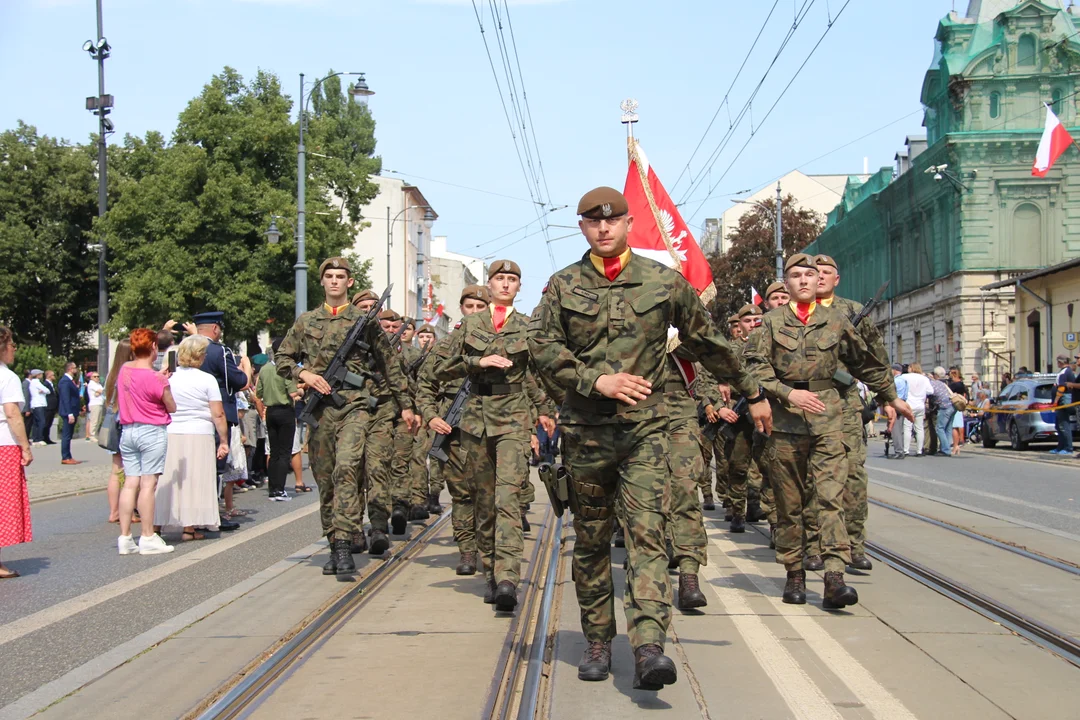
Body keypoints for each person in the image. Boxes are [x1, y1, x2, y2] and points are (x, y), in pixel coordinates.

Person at [528, 187, 772, 690]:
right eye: (593, 222)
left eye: (612, 220)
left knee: (646, 534)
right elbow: (542, 347)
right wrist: (596, 380)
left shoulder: (663, 282)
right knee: (592, 542)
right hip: (588, 435)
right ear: (582, 227)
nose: (603, 228)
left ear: (627, 223)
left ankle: (649, 645)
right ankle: (597, 640)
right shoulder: (561, 286)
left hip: (646, 433)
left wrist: (753, 391)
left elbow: (707, 340)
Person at [745, 253, 912, 610]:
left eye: (810, 274)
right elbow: (752, 367)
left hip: (829, 419)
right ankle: (794, 573)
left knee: (830, 498)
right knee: (790, 505)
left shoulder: (836, 321)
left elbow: (865, 361)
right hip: (785, 421)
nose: (805, 280)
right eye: (796, 275)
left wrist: (891, 396)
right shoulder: (771, 324)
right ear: (786, 284)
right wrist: (787, 392)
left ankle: (835, 577)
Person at [278, 258, 416, 574]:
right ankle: (333, 541)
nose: (335, 281)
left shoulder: (365, 321)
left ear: (349, 282)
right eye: (329, 276)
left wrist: (405, 405)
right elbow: (283, 358)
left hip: (356, 407)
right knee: (326, 480)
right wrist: (305, 374)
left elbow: (389, 363)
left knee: (348, 468)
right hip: (321, 410)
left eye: (341, 276)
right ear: (322, 282)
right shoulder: (306, 322)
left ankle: (344, 545)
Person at [436, 259, 556, 612]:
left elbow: (539, 371)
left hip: (514, 420)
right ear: (489, 284)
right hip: (475, 420)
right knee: (485, 502)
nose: (505, 284)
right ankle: (491, 571)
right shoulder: (469, 324)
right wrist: (478, 363)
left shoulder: (528, 326)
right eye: (499, 278)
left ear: (519, 287)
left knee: (507, 498)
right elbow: (440, 368)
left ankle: (507, 578)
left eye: (512, 280)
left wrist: (546, 409)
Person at [815, 254, 891, 571]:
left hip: (845, 404)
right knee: (812, 480)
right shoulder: (795, 313)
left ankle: (855, 545)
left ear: (837, 278)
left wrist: (888, 394)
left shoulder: (853, 311)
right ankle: (815, 547)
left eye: (827, 271)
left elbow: (876, 355)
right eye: (813, 271)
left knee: (854, 478)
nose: (819, 276)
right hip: (807, 402)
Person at [417, 285, 491, 575]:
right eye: (469, 307)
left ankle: (490, 548)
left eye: (480, 307)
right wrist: (431, 415)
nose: (474, 312)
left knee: (488, 494)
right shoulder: (446, 345)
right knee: (461, 494)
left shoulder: (501, 343)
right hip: (455, 430)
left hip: (490, 427)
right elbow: (425, 383)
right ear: (461, 309)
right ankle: (467, 552)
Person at [155, 335, 229, 540]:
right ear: (199, 356)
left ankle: (157, 524)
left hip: (171, 430)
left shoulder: (168, 377)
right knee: (194, 479)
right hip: (200, 432)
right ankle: (189, 526)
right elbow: (218, 413)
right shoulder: (207, 379)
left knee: (167, 479)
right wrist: (223, 440)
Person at [116, 328, 176, 556]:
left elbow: (139, 379)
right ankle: (148, 535)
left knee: (130, 482)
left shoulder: (125, 370)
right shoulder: (157, 379)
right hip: (151, 431)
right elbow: (172, 406)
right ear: (153, 348)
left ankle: (125, 537)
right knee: (148, 484)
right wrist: (163, 381)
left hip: (128, 430)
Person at [194, 311, 251, 533]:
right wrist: (244, 371)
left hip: (192, 414)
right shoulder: (219, 351)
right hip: (217, 410)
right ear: (215, 329)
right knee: (216, 466)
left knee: (197, 466)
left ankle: (195, 513)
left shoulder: (184, 349)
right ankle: (212, 514)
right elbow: (236, 381)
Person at [0, 327, 32, 579]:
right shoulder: (6, 377)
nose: (14, 348)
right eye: (11, 344)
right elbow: (12, 413)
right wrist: (25, 445)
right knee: (3, 503)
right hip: (3, 445)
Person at [256, 337, 299, 501]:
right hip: (285, 410)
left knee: (273, 452)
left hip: (270, 411)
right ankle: (280, 489)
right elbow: (293, 392)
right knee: (284, 452)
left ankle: (272, 488)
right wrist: (301, 392)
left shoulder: (265, 369)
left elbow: (258, 393)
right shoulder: (285, 369)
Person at [104, 340, 134, 524]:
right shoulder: (128, 373)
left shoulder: (112, 374)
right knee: (131, 471)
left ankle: (114, 511)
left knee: (116, 469)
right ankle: (129, 511)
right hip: (125, 424)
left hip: (113, 424)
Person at [900, 363, 932, 457]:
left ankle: (906, 450)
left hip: (909, 404)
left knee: (907, 427)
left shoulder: (905, 377)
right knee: (919, 428)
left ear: (911, 368)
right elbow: (931, 391)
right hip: (920, 405)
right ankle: (919, 450)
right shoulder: (924, 378)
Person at [1051, 354, 1076, 455]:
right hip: (1061, 402)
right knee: (1059, 425)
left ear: (1060, 362)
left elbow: (1061, 388)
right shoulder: (1065, 372)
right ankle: (1060, 446)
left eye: (1057, 362)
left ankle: (1068, 448)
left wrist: (1056, 401)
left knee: (1063, 425)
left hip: (1063, 402)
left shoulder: (1064, 372)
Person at [58, 362, 82, 465]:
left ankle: (68, 455)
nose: (76, 370)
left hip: (73, 410)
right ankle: (65, 456)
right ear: (70, 369)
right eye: (75, 368)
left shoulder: (70, 381)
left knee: (69, 435)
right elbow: (65, 398)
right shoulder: (65, 381)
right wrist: (69, 413)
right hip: (68, 412)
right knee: (66, 435)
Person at [929, 367, 955, 456]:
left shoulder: (932, 383)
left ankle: (945, 450)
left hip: (944, 407)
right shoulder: (943, 383)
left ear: (935, 375)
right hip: (952, 405)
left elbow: (928, 394)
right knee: (948, 428)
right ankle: (947, 448)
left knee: (939, 428)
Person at [889, 364, 909, 458]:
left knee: (895, 429)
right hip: (903, 403)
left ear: (895, 370)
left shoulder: (896, 381)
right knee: (901, 429)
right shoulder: (904, 380)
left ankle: (899, 451)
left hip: (896, 404)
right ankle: (901, 449)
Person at [948, 367, 968, 454]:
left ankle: (955, 445)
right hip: (960, 406)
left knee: (954, 427)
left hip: (954, 405)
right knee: (958, 425)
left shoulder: (954, 385)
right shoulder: (962, 384)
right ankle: (958, 444)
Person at [28, 369, 48, 446]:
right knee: (41, 421)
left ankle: (35, 438)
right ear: (38, 375)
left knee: (36, 422)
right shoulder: (36, 382)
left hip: (35, 404)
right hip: (39, 404)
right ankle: (39, 438)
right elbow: (47, 390)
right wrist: (44, 391)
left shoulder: (32, 383)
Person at [85, 371, 105, 440]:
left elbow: (102, 391)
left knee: (98, 420)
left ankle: (94, 434)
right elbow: (101, 391)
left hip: (99, 403)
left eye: (98, 376)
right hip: (94, 404)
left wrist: (98, 393)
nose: (97, 378)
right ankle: (91, 435)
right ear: (91, 378)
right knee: (94, 420)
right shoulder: (91, 384)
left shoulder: (98, 384)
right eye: (95, 376)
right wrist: (99, 392)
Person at [42, 370, 59, 444]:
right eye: (53, 375)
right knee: (46, 422)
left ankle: (47, 437)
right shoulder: (45, 384)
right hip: (48, 406)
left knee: (49, 423)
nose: (54, 376)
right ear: (49, 376)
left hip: (53, 406)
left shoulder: (51, 384)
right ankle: (43, 437)